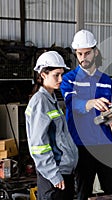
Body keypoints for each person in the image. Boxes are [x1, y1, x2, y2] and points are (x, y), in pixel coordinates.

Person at [60, 29, 112, 199]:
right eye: (79, 53)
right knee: (83, 193)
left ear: (95, 52)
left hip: (104, 144)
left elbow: (106, 110)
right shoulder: (68, 79)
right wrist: (90, 103)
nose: (83, 58)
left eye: (87, 53)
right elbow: (71, 104)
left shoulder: (106, 80)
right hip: (81, 146)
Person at [25, 51, 78, 200]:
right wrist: (54, 175)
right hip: (54, 178)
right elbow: (39, 145)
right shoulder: (40, 102)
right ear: (43, 75)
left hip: (62, 174)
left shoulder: (51, 99)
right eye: (56, 75)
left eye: (62, 74)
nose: (61, 79)